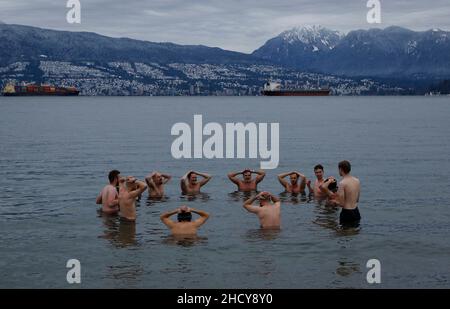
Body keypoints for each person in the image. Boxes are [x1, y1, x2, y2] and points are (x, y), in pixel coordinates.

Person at [320, 160, 361, 227]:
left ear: (341, 169)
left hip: (347, 213)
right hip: (356, 212)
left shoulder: (342, 183)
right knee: (354, 233)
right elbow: (357, 199)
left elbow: (341, 204)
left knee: (344, 235)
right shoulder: (357, 180)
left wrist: (334, 201)